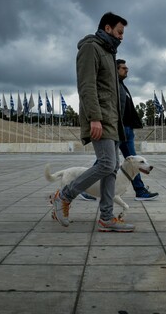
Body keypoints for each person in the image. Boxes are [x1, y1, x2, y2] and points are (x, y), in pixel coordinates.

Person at [52, 12, 135, 232]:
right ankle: (64, 195)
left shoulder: (109, 53)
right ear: (107, 28)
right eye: (119, 32)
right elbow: (87, 86)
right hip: (101, 119)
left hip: (113, 120)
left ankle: (106, 218)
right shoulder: (91, 48)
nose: (122, 37)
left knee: (111, 169)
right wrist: (94, 118)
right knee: (107, 163)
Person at [117, 59, 159, 201]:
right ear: (115, 70)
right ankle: (84, 189)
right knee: (103, 162)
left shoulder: (123, 87)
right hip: (118, 129)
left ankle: (140, 191)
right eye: (123, 68)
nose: (126, 69)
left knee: (136, 162)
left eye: (126, 67)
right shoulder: (114, 86)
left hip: (127, 130)